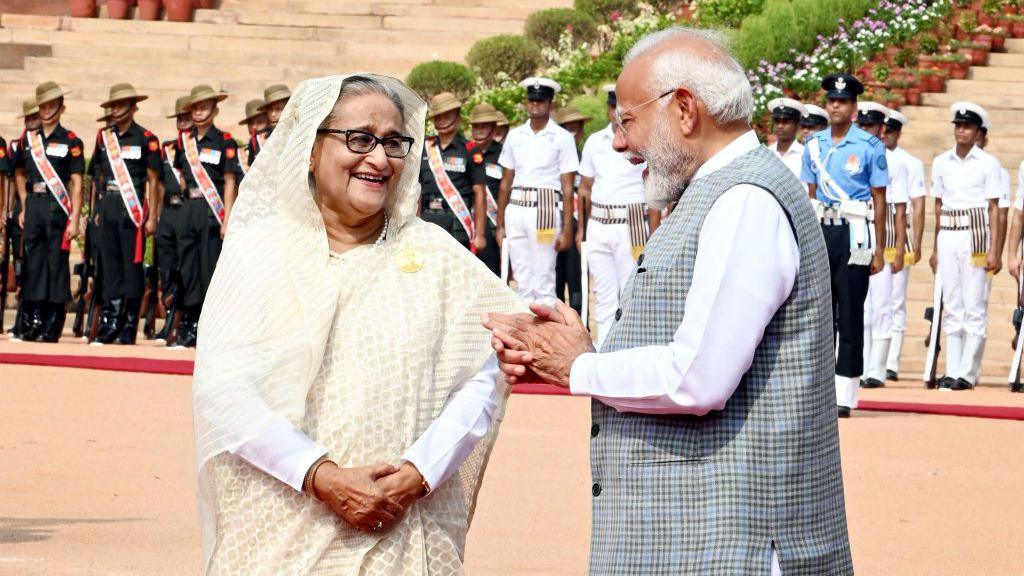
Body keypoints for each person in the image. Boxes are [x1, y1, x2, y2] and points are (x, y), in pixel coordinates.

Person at [484, 27, 852, 575]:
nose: (617, 144)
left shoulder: (743, 200)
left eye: (626, 122)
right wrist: (580, 348)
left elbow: (696, 378)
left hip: (731, 545)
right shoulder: (716, 191)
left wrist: (578, 366)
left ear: (684, 110)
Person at [192, 73, 524, 575]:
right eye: (359, 139)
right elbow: (223, 392)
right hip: (279, 529)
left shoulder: (433, 254)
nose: (379, 159)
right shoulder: (262, 252)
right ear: (309, 148)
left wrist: (418, 473)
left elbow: (485, 372)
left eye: (393, 142)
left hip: (404, 528)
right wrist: (318, 474)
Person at [801, 74, 888, 417]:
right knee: (821, 311)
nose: (835, 106)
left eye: (842, 101)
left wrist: (880, 249)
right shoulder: (814, 145)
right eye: (831, 100)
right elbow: (809, 195)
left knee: (850, 310)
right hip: (823, 228)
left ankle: (846, 392)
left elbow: (880, 199)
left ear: (853, 108)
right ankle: (819, 389)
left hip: (856, 232)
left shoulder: (869, 147)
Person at [930, 102, 1002, 391]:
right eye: (958, 126)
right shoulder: (940, 162)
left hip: (975, 234)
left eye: (968, 127)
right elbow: (937, 205)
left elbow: (995, 208)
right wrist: (936, 247)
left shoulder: (988, 164)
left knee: (974, 304)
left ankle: (968, 372)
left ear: (978, 133)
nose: (961, 131)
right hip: (948, 231)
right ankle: (952, 368)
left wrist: (995, 249)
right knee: (953, 303)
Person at [577, 84, 656, 348]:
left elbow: (654, 188)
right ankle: (604, 347)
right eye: (612, 107)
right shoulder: (595, 141)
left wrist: (655, 233)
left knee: (630, 289)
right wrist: (581, 228)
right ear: (608, 109)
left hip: (631, 222)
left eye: (621, 108)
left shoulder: (644, 140)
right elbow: (585, 187)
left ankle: (628, 347)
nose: (616, 113)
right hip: (598, 222)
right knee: (603, 292)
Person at [11, 82, 85, 343]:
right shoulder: (28, 139)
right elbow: (18, 171)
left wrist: (75, 217)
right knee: (35, 263)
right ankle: (34, 319)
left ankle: (53, 321)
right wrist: (22, 201)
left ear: (61, 108)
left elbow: (77, 181)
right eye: (43, 105)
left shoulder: (71, 141)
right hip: (34, 204)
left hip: (57, 208)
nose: (46, 110)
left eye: (52, 105)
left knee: (56, 264)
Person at [495, 77, 578, 303]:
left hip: (545, 208)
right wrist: (500, 224)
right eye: (531, 100)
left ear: (550, 103)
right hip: (517, 207)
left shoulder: (562, 137)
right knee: (521, 281)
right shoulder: (515, 135)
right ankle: (525, 335)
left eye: (540, 101)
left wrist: (568, 229)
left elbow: (568, 187)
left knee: (543, 281)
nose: (535, 105)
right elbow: (505, 182)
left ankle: (543, 336)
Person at [89, 83, 160, 345]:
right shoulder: (103, 137)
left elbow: (153, 179)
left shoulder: (146, 138)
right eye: (113, 105)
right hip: (108, 205)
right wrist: (97, 208)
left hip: (132, 209)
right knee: (110, 264)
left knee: (132, 266)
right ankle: (112, 318)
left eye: (121, 105)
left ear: (133, 107)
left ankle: (129, 323)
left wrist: (152, 216)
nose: (116, 109)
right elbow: (97, 175)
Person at [172, 84, 239, 348]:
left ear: (215, 110)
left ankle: (209, 326)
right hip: (188, 208)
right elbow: (180, 177)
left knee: (209, 269)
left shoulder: (225, 142)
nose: (199, 112)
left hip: (212, 212)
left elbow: (230, 183)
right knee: (187, 268)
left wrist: (227, 219)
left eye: (204, 107)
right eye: (195, 108)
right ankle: (188, 325)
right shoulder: (183, 141)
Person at [856, 102, 907, 388]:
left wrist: (897, 248)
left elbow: (898, 210)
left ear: (881, 129)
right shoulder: (852, 152)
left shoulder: (892, 160)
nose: (867, 131)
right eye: (862, 126)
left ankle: (878, 367)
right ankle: (861, 366)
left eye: (871, 126)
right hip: (858, 235)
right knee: (861, 306)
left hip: (882, 239)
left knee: (883, 305)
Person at [881, 110, 926, 380]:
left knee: (896, 299)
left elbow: (918, 205)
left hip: (900, 232)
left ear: (898, 133)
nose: (885, 135)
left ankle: (891, 362)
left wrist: (916, 243)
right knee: (874, 303)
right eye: (883, 130)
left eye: (890, 131)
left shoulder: (910, 162)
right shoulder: (872, 156)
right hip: (877, 229)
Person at [417, 92, 487, 252]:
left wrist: (481, 234)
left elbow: (480, 192)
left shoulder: (470, 150)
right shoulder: (425, 148)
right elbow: (418, 189)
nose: (442, 121)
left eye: (447, 116)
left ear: (458, 118)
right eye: (438, 117)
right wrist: (416, 221)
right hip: (429, 220)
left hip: (458, 222)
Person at [153, 95, 193, 344]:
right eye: (180, 118)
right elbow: (156, 184)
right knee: (167, 269)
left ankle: (182, 320)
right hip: (168, 213)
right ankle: (169, 316)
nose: (183, 121)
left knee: (186, 269)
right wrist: (155, 215)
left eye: (187, 117)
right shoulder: (168, 148)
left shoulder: (198, 147)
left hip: (189, 212)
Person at [6, 100, 40, 339]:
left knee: (33, 264)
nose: (31, 122)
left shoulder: (48, 143)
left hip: (41, 207)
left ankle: (31, 317)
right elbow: (12, 177)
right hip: (23, 207)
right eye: (28, 119)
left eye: (34, 118)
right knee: (21, 264)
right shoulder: (20, 145)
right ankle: (22, 317)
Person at [553, 104, 590, 314]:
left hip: (579, 227)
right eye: (567, 128)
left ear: (582, 130)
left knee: (578, 282)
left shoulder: (587, 156)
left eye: (575, 128)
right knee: (554, 280)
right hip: (554, 223)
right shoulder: (553, 157)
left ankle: (581, 323)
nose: (572, 133)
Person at [467, 102, 503, 275]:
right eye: (475, 127)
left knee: (493, 275)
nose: (478, 131)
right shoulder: (466, 151)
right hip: (467, 221)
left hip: (494, 225)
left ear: (494, 128)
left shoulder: (504, 154)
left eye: (484, 127)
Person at [766, 97, 806, 178]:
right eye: (777, 121)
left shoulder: (805, 155)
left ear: (797, 125)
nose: (780, 126)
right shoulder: (767, 154)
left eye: (786, 121)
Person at [239, 98, 268, 174]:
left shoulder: (276, 137)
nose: (254, 126)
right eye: (251, 123)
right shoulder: (252, 142)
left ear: (268, 119)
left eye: (259, 122)